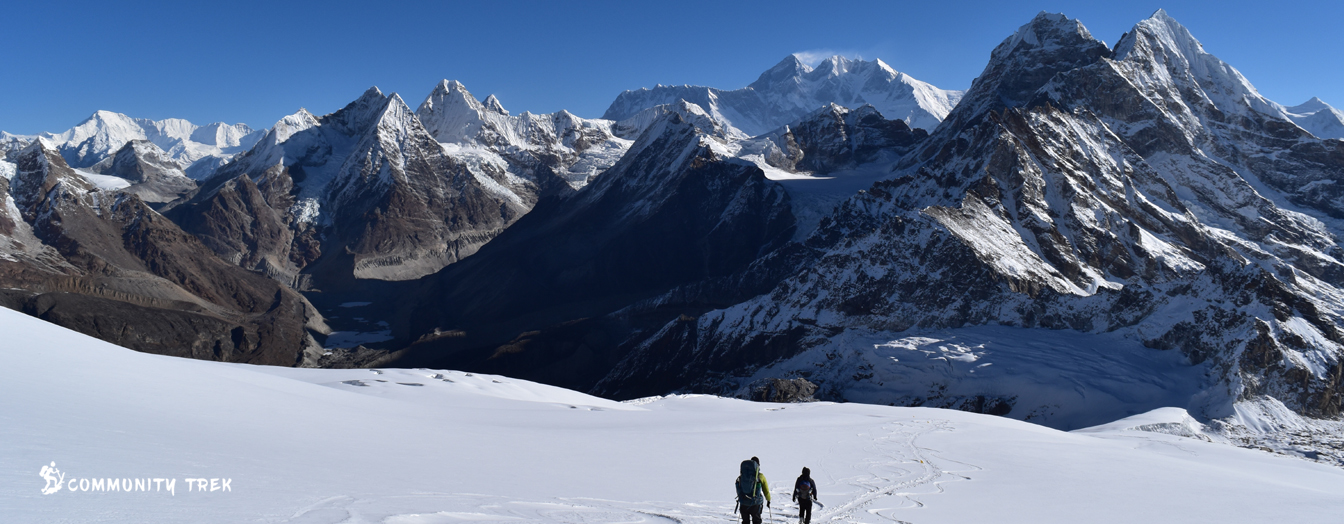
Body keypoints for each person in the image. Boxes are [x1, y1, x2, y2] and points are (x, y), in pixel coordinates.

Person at [735, 456, 772, 524]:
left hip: (743, 502)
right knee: (757, 521)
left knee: (745, 522)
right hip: (755, 503)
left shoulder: (742, 476)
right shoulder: (760, 476)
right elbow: (766, 490)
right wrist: (768, 500)